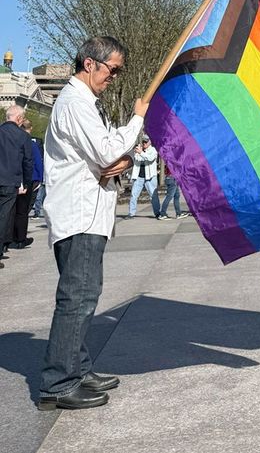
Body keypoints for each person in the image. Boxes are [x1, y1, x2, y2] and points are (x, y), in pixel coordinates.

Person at [39, 36, 148, 409]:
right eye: (112, 69)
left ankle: (78, 368)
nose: (114, 76)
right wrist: (137, 118)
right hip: (78, 214)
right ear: (90, 63)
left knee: (84, 296)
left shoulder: (86, 104)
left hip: (87, 212)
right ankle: (58, 382)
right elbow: (105, 152)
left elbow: (111, 155)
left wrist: (126, 159)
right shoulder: (75, 103)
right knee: (78, 298)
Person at [0, 105, 33, 265]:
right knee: (4, 216)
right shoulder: (22, 136)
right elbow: (28, 161)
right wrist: (27, 182)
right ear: (19, 119)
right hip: (9, 181)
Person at [10, 113, 41, 249]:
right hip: (29, 178)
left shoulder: (13, 140)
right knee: (23, 211)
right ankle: (20, 238)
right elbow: (35, 161)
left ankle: (11, 236)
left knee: (14, 210)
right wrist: (39, 178)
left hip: (15, 178)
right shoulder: (29, 141)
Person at [124, 135, 160, 219]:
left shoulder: (153, 150)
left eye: (146, 141)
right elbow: (137, 159)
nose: (144, 143)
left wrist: (141, 153)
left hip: (150, 177)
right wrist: (138, 152)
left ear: (150, 141)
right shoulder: (138, 149)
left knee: (153, 196)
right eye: (143, 141)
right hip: (138, 177)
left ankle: (157, 213)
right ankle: (131, 213)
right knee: (134, 195)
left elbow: (150, 158)